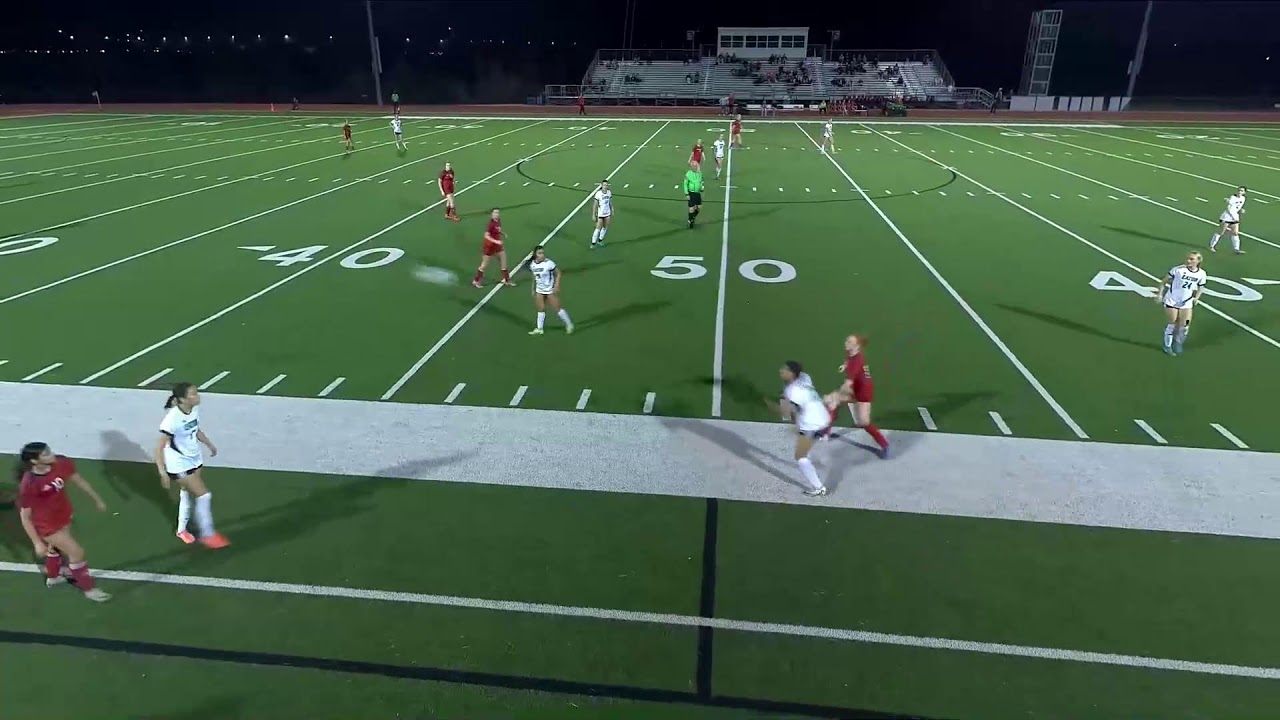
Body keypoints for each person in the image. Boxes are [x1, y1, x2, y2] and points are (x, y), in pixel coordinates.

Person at [16, 442, 111, 601]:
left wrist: (97, 499)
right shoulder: (30, 484)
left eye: (49, 451)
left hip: (64, 515)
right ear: (34, 461)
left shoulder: (61, 463)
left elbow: (78, 480)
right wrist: (37, 543)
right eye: (46, 454)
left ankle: (53, 577)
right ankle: (88, 589)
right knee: (76, 552)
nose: (52, 455)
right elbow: (25, 516)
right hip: (46, 524)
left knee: (55, 549)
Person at [156, 382, 229, 548]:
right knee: (203, 495)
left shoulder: (193, 410)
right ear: (183, 399)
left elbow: (196, 429)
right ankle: (208, 534)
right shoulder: (172, 419)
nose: (198, 396)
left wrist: (208, 444)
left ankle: (181, 529)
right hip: (179, 464)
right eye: (193, 394)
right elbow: (159, 447)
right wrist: (162, 472)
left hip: (194, 459)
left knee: (186, 493)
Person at [766, 362, 830, 497]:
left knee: (800, 457)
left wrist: (769, 405)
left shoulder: (791, 391)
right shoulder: (805, 377)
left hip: (811, 424)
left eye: (785, 370)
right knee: (806, 448)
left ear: (792, 373)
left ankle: (819, 488)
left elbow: (785, 412)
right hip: (823, 418)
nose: (781, 371)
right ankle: (812, 452)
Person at [827, 335, 889, 458]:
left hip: (863, 392)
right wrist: (844, 366)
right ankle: (825, 432)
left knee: (863, 422)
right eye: (847, 340)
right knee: (834, 402)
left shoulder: (856, 362)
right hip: (857, 387)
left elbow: (847, 385)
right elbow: (848, 361)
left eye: (850, 342)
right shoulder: (852, 353)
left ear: (857, 346)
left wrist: (835, 393)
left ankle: (885, 445)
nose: (846, 342)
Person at [1155, 251, 1207, 355]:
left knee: (1185, 324)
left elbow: (1201, 287)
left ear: (1198, 261)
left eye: (1191, 259)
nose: (1188, 261)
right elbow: (1163, 282)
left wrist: (1196, 298)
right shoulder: (1178, 270)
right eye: (1188, 258)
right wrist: (1160, 294)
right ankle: (1167, 346)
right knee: (1172, 323)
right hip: (1172, 300)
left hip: (1186, 302)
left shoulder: (1201, 273)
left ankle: (1178, 342)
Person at [528, 246, 574, 335]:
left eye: (543, 253)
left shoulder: (549, 263)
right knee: (541, 308)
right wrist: (533, 288)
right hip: (539, 290)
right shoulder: (532, 264)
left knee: (557, 308)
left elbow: (558, 273)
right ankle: (540, 328)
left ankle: (569, 324)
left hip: (549, 290)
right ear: (535, 255)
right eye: (539, 253)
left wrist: (556, 285)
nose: (542, 255)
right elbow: (534, 276)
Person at [473, 208, 515, 288]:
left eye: (498, 213)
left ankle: (507, 280)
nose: (496, 214)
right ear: (492, 214)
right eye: (495, 213)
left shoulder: (498, 221)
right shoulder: (491, 224)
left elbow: (497, 231)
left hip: (497, 246)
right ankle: (476, 281)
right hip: (489, 247)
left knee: (503, 262)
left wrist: (503, 234)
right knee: (484, 265)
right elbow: (486, 236)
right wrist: (496, 241)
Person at [1209, 187, 1247, 254]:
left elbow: (1237, 206)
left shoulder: (1243, 198)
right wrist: (1233, 217)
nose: (1239, 192)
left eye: (1241, 191)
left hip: (1235, 217)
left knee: (1235, 233)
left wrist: (1241, 210)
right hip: (1227, 217)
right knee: (1221, 232)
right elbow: (1229, 209)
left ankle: (1236, 249)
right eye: (1239, 190)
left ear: (1244, 192)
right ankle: (1212, 246)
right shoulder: (1233, 197)